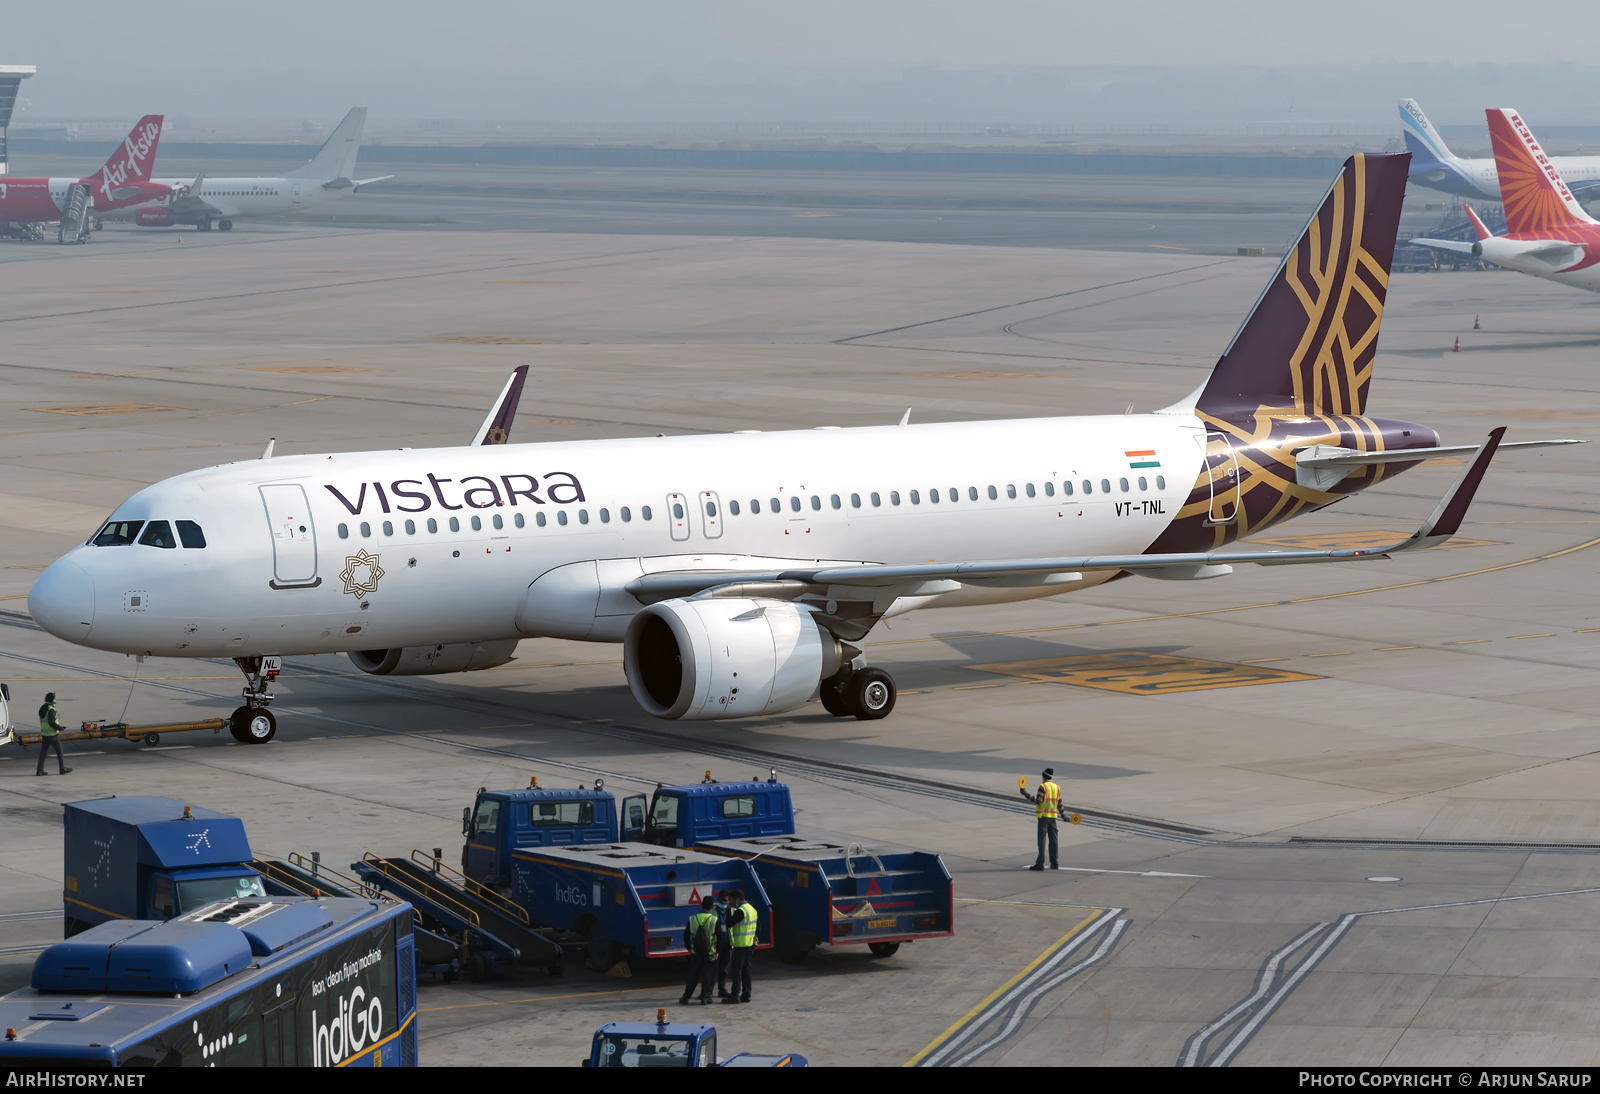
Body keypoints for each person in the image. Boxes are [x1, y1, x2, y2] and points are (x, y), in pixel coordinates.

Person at [680, 895, 719, 1005]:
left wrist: (689, 948)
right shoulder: (714, 920)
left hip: (696, 952)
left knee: (693, 975)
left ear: (701, 905)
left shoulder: (692, 918)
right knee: (708, 975)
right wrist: (717, 951)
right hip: (710, 952)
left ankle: (686, 997)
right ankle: (705, 997)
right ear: (712, 907)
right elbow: (720, 937)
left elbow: (686, 935)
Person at [1021, 768, 1060, 871]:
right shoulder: (1056, 787)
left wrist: (1025, 794)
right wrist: (1064, 816)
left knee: (1041, 841)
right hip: (1053, 818)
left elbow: (1038, 801)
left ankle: (1040, 864)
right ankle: (1054, 863)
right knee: (1054, 841)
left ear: (1043, 776)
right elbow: (1059, 803)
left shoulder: (1043, 787)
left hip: (1043, 817)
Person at [724, 888, 757, 1004]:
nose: (730, 903)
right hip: (750, 944)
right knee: (746, 970)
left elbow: (729, 923)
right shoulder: (752, 909)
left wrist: (728, 910)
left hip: (741, 944)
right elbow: (757, 926)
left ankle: (734, 995)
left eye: (731, 900)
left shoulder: (741, 911)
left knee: (736, 970)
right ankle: (746, 995)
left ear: (737, 899)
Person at [35, 692, 71, 777]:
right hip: (52, 735)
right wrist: (60, 728)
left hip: (44, 734)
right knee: (59, 751)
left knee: (43, 752)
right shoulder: (51, 709)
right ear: (52, 700)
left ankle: (39, 770)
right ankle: (62, 769)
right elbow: (51, 722)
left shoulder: (42, 708)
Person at [713, 891, 733, 999]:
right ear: (718, 900)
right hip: (715, 944)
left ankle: (722, 988)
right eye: (722, 900)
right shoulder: (713, 911)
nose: (724, 902)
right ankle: (709, 990)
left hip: (727, 943)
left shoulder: (732, 911)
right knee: (713, 968)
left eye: (726, 901)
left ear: (728, 901)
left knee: (724, 968)